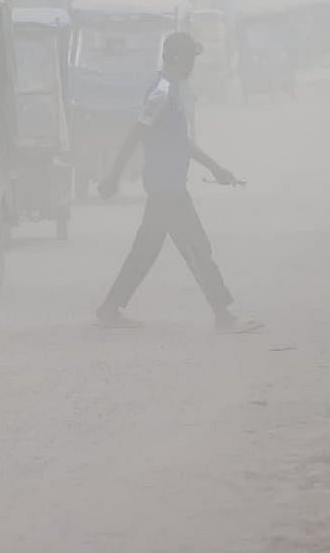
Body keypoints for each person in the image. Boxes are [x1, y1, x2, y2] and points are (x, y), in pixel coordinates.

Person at [96, 32, 261, 334]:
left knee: (146, 251)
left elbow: (180, 142)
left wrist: (217, 168)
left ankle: (110, 309)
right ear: (175, 58)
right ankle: (223, 314)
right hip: (166, 189)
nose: (192, 66)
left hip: (166, 185)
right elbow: (137, 133)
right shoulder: (161, 92)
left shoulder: (172, 91)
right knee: (197, 247)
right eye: (189, 60)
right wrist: (112, 177)